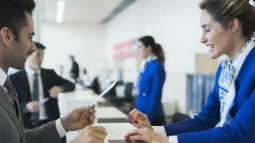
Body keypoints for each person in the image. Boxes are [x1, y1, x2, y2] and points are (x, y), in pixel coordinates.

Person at [126, 0, 255, 142]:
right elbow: (204, 121)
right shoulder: (225, 69)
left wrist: (166, 140)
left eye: (207, 30)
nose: (202, 39)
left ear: (232, 25)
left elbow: (239, 133)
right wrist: (155, 130)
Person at [0, 0, 107, 142]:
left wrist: (64, 124)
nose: (32, 48)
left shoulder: (6, 86)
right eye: (30, 37)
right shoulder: (10, 83)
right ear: (7, 36)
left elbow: (19, 140)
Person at [10, 42, 75, 129]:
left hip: (50, 124)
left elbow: (71, 85)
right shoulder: (14, 78)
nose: (41, 59)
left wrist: (60, 88)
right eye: (38, 55)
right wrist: (25, 107)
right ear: (27, 56)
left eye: (42, 55)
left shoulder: (50, 74)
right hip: (26, 126)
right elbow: (9, 104)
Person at [134, 36, 166, 126]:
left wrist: (148, 119)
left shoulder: (157, 66)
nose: (138, 50)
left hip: (151, 117)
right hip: (142, 114)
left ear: (148, 48)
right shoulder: (145, 65)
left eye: (140, 47)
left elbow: (156, 95)